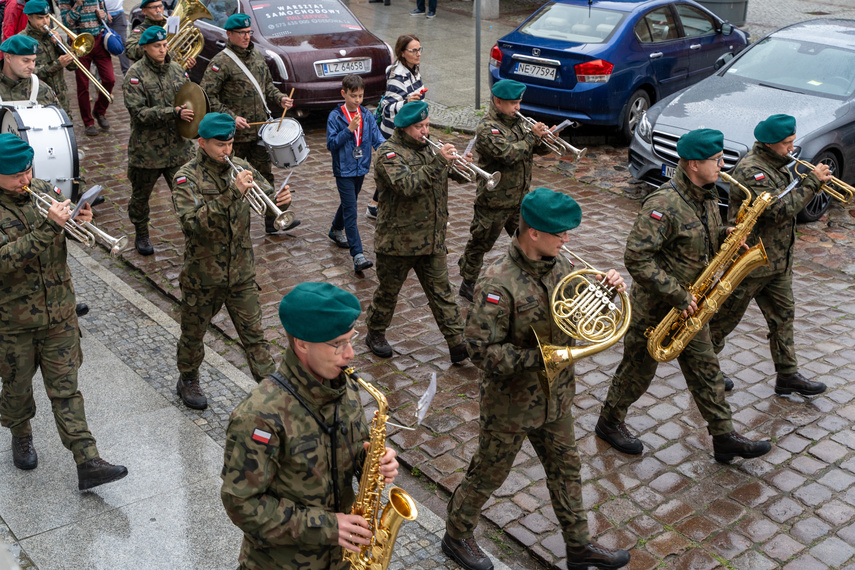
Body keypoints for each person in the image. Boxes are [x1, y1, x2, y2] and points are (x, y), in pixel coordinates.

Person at [444, 188, 631, 570]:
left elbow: (578, 319)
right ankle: (457, 534)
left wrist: (607, 294)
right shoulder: (498, 284)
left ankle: (578, 547)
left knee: (567, 470)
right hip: (510, 404)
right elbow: (480, 351)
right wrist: (539, 358)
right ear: (533, 233)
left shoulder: (562, 268)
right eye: (559, 232)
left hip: (556, 397)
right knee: (488, 473)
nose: (567, 239)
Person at [594, 128, 772, 464]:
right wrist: (676, 294)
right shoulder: (663, 203)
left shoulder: (705, 195)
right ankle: (609, 422)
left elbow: (696, 238)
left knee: (707, 368)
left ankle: (724, 437)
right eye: (715, 160)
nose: (722, 165)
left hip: (692, 304)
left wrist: (724, 235)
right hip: (656, 308)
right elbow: (636, 257)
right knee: (637, 371)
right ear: (693, 164)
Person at [221, 282, 400, 570]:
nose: (350, 353)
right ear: (302, 343)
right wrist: (328, 527)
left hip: (343, 557)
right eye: (338, 344)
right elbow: (242, 506)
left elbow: (354, 448)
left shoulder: (345, 387)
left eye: (351, 339)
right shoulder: (259, 416)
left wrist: (372, 461)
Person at [0, 133, 128, 491]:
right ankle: (21, 434)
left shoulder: (41, 189)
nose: (25, 180)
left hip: (58, 313)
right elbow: (4, 260)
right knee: (16, 387)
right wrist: (48, 228)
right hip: (13, 322)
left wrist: (78, 221)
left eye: (27, 171)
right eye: (15, 176)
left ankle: (88, 460)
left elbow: (63, 230)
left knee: (66, 389)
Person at [171, 113, 291, 409]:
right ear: (202, 142)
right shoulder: (186, 177)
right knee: (193, 334)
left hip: (240, 273)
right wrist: (232, 193)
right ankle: (188, 377)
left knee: (255, 338)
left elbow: (265, 204)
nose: (227, 151)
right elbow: (192, 224)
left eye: (231, 143)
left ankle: (273, 395)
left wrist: (279, 202)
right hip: (203, 275)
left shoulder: (244, 167)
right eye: (220, 145)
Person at [709, 114, 831, 396]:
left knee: (783, 318)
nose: (792, 148)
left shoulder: (780, 165)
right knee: (723, 321)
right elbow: (778, 211)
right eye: (786, 143)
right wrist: (812, 183)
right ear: (769, 143)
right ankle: (704, 369)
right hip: (749, 263)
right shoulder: (753, 170)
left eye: (792, 141)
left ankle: (787, 375)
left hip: (776, 262)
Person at [365, 101, 468, 364]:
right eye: (419, 127)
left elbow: (458, 178)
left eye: (427, 125)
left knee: (443, 293)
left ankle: (458, 344)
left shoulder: (428, 147)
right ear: (404, 128)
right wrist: (438, 163)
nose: (425, 131)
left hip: (431, 240)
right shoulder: (389, 154)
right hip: (398, 243)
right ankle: (375, 332)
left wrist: (462, 166)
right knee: (388, 293)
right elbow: (407, 186)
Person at [200, 13, 298, 235]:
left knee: (264, 176)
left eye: (248, 33)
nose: (246, 37)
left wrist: (280, 97)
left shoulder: (256, 57)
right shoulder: (220, 62)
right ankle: (225, 222)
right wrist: (231, 116)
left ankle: (273, 220)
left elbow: (266, 87)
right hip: (232, 137)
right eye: (241, 33)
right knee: (228, 178)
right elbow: (207, 97)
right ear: (229, 34)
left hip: (259, 133)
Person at [457, 79, 553, 302]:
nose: (518, 108)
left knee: (527, 241)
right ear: (498, 102)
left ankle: (531, 278)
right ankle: (468, 281)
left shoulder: (519, 123)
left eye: (519, 102)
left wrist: (548, 139)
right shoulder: (487, 128)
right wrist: (532, 136)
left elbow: (536, 148)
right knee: (481, 242)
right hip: (495, 199)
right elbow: (509, 154)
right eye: (512, 104)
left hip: (519, 198)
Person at [123, 25, 193, 256]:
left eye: (164, 45)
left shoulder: (176, 70)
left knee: (186, 194)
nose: (162, 50)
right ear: (145, 48)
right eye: (157, 46)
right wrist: (173, 112)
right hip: (147, 152)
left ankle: (192, 234)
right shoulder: (135, 75)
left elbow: (189, 100)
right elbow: (139, 114)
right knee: (141, 197)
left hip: (178, 149)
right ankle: (141, 233)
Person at [326, 73, 385, 273]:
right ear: (344, 94)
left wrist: (390, 153)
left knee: (348, 202)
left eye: (360, 96)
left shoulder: (367, 115)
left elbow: (377, 139)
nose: (357, 100)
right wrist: (349, 129)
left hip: (361, 168)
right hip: (343, 171)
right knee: (352, 210)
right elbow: (331, 144)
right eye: (353, 96)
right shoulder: (335, 116)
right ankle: (358, 255)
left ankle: (335, 229)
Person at [370, 33, 425, 219]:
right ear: (402, 53)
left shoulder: (414, 68)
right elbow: (388, 108)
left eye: (419, 49)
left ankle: (375, 204)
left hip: (409, 129)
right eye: (413, 50)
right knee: (396, 172)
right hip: (394, 133)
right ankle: (382, 207)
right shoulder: (397, 77)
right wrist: (408, 101)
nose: (418, 54)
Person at [59, 0, 115, 137]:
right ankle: (88, 122)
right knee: (83, 84)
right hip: (79, 41)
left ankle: (99, 111)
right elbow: (66, 22)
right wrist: (78, 4)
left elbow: (104, 15)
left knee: (110, 79)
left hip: (98, 40)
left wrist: (103, 15)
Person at [17, 0, 73, 116]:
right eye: (40, 18)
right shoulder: (22, 40)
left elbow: (74, 65)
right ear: (29, 17)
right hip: (38, 102)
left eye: (47, 17)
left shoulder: (53, 36)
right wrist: (57, 64)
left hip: (62, 100)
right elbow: (25, 75)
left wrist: (60, 44)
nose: (46, 22)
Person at [0, 34, 58, 104]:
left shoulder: (42, 91)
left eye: (33, 61)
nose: (32, 67)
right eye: (25, 61)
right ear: (8, 57)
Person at [102, 0, 129, 74]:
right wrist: (105, 12)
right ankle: (101, 74)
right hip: (101, 15)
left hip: (118, 14)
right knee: (101, 45)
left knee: (122, 44)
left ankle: (127, 74)